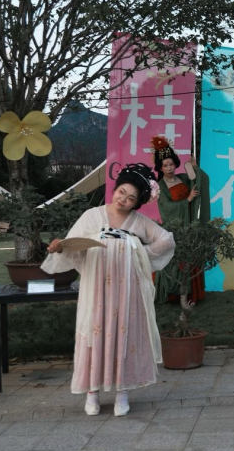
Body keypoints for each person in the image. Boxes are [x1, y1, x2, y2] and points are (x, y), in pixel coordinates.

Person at [42, 163, 175, 416]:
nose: (123, 199)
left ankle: (122, 392)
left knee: (124, 335)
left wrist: (139, 252)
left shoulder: (139, 222)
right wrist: (60, 247)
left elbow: (166, 240)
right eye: (122, 192)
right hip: (96, 288)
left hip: (127, 291)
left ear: (137, 203)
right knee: (95, 333)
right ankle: (92, 392)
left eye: (131, 198)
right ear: (115, 189)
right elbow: (73, 245)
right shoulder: (92, 216)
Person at [151, 135, 210, 310]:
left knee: (191, 259)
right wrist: (187, 201)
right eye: (165, 165)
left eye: (171, 164)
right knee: (176, 260)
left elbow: (200, 181)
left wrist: (195, 168)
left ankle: (191, 294)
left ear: (175, 163)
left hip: (189, 225)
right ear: (160, 167)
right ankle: (173, 294)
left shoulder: (183, 178)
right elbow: (166, 207)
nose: (169, 168)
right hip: (175, 228)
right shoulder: (161, 186)